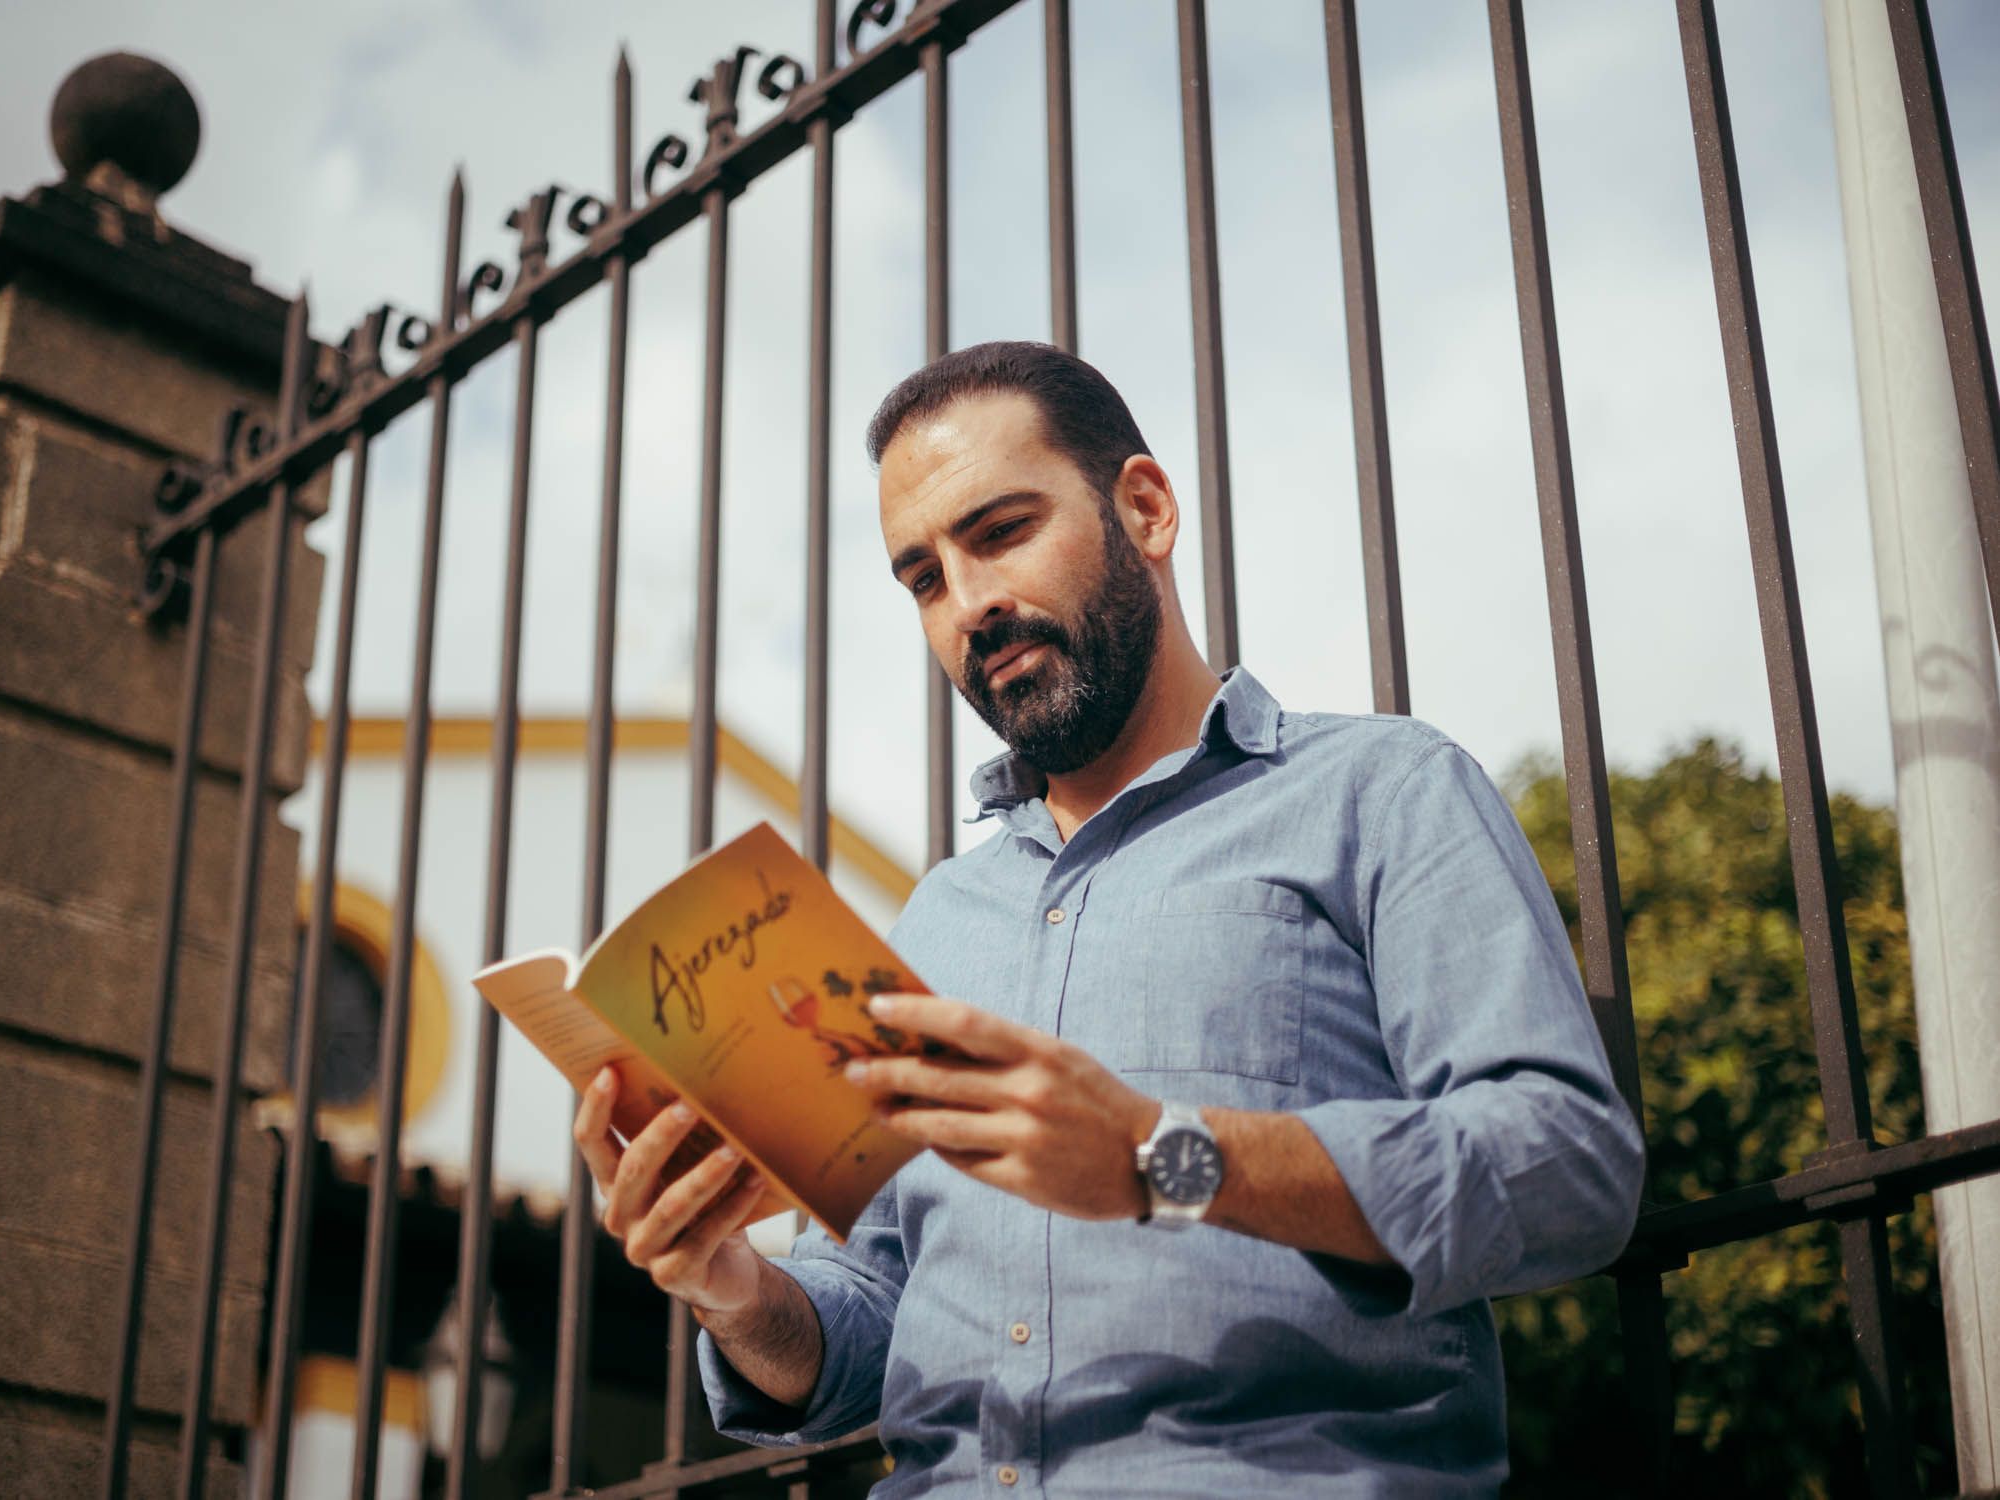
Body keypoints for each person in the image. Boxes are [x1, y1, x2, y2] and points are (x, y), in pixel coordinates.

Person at [571, 342, 1645, 1495]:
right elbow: (877, 1317)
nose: (969, 606)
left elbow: (1567, 1170)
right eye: (924, 578)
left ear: (1145, 508)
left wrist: (1162, 1159)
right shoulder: (934, 923)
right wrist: (735, 1292)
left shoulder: (1382, 792)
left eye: (999, 533)